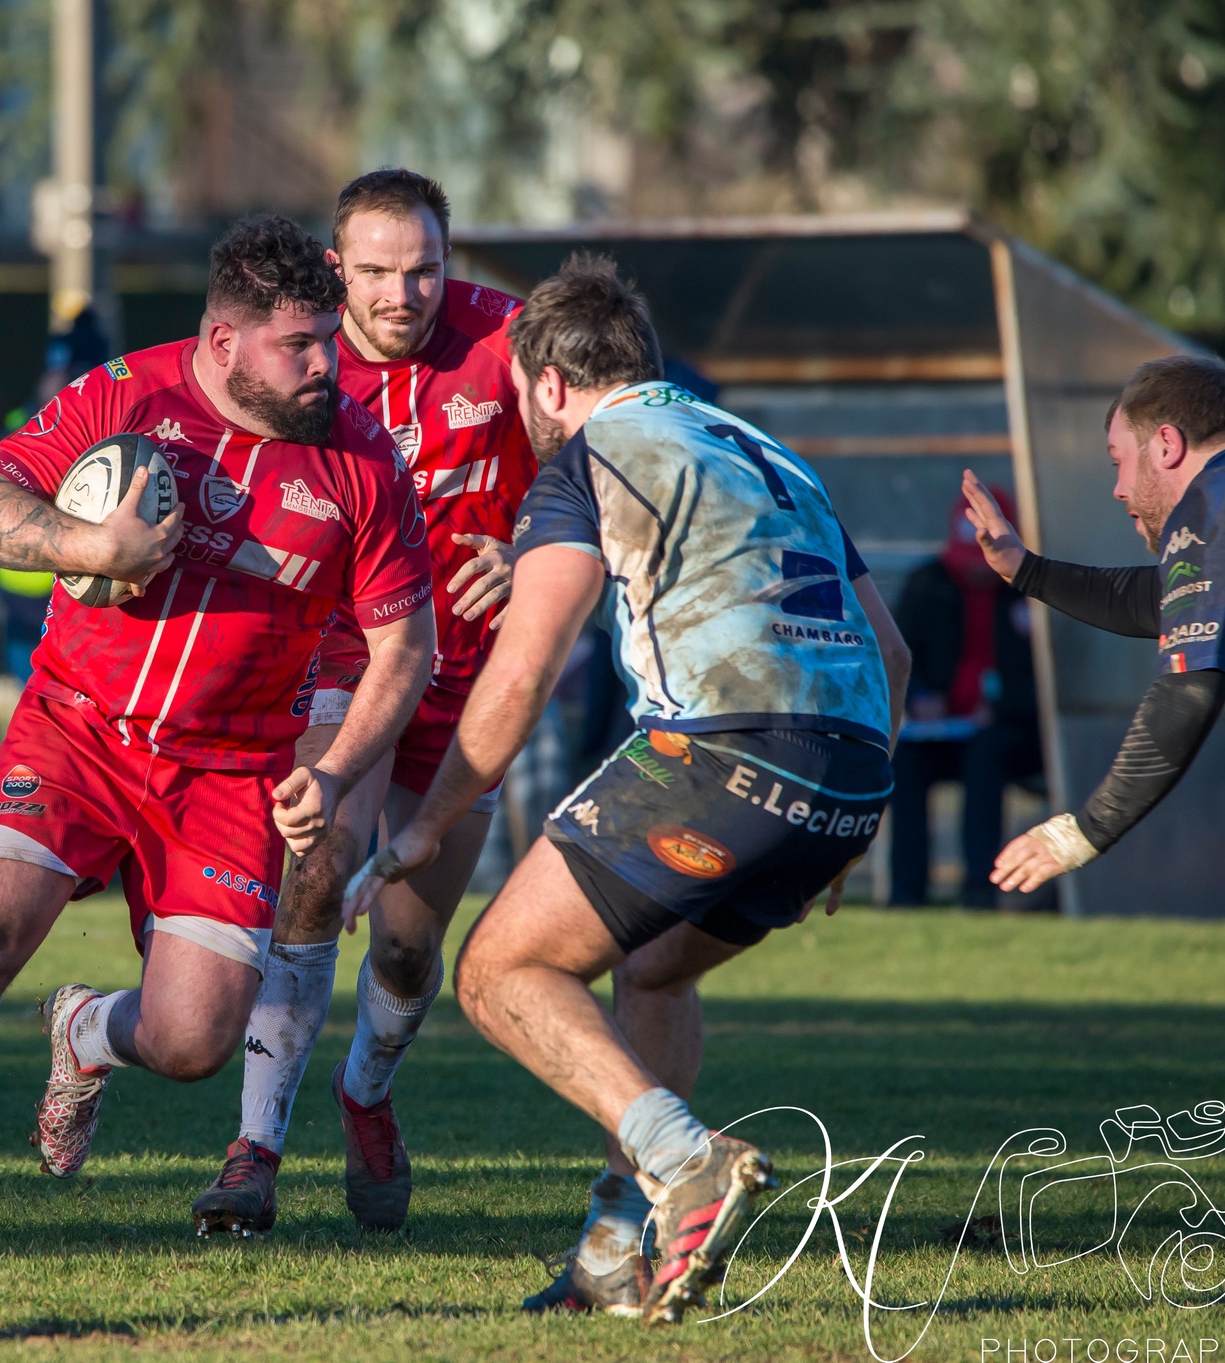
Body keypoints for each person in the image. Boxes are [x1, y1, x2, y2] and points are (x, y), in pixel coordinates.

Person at [0, 214, 435, 1258]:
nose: (327, 365)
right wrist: (86, 542)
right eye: (299, 345)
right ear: (224, 340)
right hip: (78, 729)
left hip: (231, 768)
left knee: (192, 1043)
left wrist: (332, 773)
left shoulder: (361, 461)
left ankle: (84, 1029)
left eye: (330, 340)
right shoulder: (123, 394)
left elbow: (405, 649)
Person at [348, 253, 910, 1322]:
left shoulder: (587, 458)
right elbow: (891, 653)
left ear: (550, 384)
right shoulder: (769, 453)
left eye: (521, 395)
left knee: (497, 971)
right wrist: (852, 824)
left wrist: (428, 823)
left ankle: (686, 1159)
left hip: (722, 755)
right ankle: (616, 1249)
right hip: (850, 776)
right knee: (651, 970)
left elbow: (523, 670)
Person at [191, 169, 536, 1237]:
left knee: (405, 946)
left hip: (463, 681)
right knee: (317, 872)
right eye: (378, 272)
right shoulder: (293, 356)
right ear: (338, 268)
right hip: (345, 660)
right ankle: (254, 1149)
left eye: (424, 269)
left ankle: (366, 1091)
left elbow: (610, 455)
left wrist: (533, 545)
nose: (402, 294)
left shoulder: (510, 339)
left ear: (450, 262)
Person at [959, 353, 1225, 998]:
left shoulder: (1221, 499)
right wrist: (1026, 570)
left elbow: (1188, 689)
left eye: (1118, 461)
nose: (1117, 489)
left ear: (1166, 444)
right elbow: (1159, 600)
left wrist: (1084, 830)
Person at [887, 487, 1041, 908]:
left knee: (986, 756)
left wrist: (1000, 708)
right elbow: (902, 656)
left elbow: (1044, 679)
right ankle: (906, 895)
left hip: (1008, 733)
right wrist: (920, 697)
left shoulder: (1031, 591)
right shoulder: (927, 583)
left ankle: (979, 890)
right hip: (940, 731)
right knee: (906, 762)